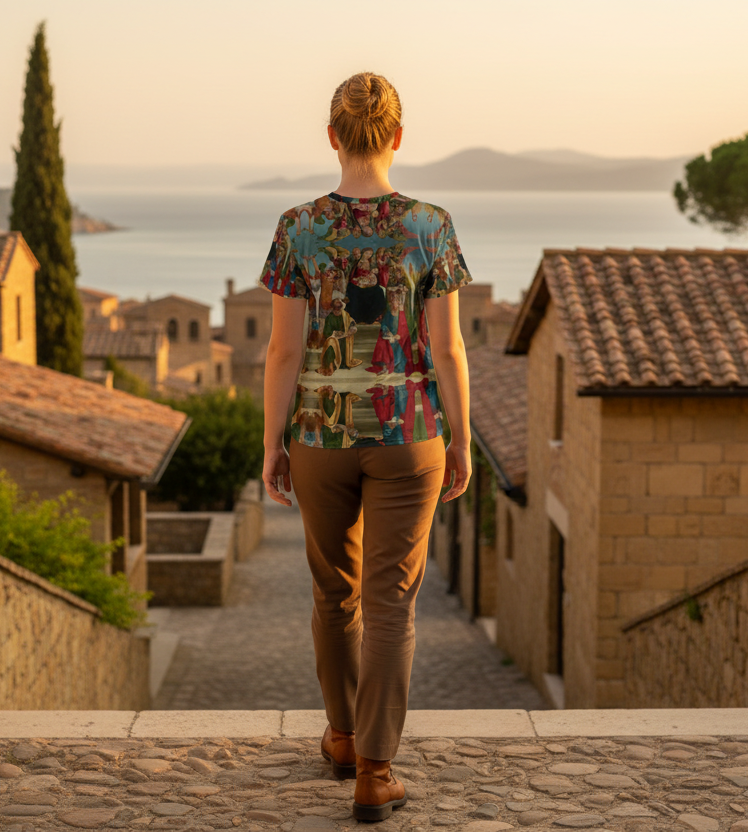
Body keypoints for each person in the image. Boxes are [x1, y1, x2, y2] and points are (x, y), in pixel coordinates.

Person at [257, 71, 473, 822]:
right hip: (410, 433)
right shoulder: (431, 225)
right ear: (398, 137)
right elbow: (447, 349)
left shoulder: (298, 227)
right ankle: (375, 774)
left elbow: (282, 352)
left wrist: (272, 443)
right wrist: (461, 438)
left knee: (333, 592)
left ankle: (344, 737)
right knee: (391, 605)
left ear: (331, 137)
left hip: (320, 432)